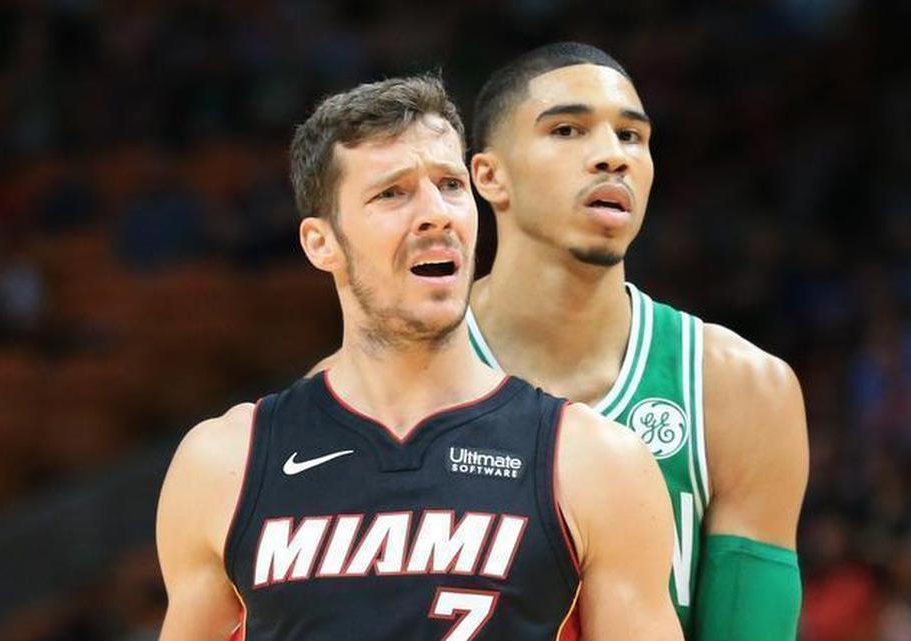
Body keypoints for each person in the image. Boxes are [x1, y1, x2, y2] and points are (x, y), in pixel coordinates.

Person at [155, 75, 682, 641]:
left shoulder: (593, 461)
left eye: (451, 186)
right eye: (393, 193)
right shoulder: (224, 462)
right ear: (320, 242)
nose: (438, 214)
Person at [463, 43, 809, 640]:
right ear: (490, 176)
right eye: (568, 129)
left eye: (631, 137)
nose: (611, 157)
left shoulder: (740, 389)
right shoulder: (389, 374)